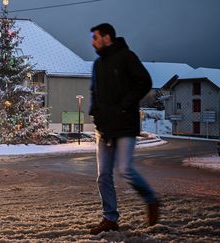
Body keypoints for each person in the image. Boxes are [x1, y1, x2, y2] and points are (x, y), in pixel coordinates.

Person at [88, 23, 159, 234]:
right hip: (105, 128)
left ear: (107, 37)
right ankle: (110, 219)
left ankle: (151, 200)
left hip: (125, 125)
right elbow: (94, 92)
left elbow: (144, 82)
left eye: (95, 37)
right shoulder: (98, 64)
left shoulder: (127, 57)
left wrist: (125, 105)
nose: (92, 41)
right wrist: (96, 113)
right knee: (103, 176)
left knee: (125, 169)